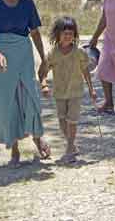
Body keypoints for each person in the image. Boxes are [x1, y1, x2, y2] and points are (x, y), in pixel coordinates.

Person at [0, 0, 50, 167]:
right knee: (7, 102)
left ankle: (38, 139)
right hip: (1, 56)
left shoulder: (27, 1)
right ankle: (14, 151)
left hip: (23, 53)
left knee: (29, 96)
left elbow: (35, 32)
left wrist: (43, 58)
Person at [40, 17, 96, 163]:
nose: (68, 36)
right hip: (59, 92)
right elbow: (44, 71)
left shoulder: (79, 52)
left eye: (71, 33)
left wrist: (91, 89)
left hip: (75, 91)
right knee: (62, 121)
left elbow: (85, 71)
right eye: (65, 33)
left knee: (72, 120)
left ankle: (70, 148)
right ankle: (72, 146)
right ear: (58, 34)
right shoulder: (53, 53)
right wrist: (44, 85)